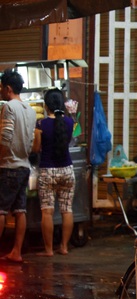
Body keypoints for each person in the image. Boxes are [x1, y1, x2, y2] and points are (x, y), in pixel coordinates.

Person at [32, 88, 76, 257]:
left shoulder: (41, 124)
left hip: (48, 170)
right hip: (67, 169)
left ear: (46, 105)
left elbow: (36, 148)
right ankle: (64, 247)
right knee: (67, 209)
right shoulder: (70, 123)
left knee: (47, 211)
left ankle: (49, 250)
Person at [0, 68, 37, 263]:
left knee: (1, 210)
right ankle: (17, 252)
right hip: (24, 165)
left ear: (7, 88)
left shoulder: (9, 107)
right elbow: (30, 140)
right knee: (20, 210)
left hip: (9, 165)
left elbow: (5, 138)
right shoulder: (30, 110)